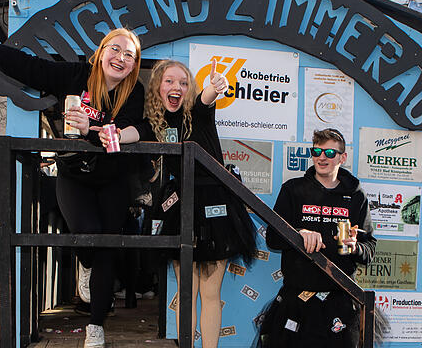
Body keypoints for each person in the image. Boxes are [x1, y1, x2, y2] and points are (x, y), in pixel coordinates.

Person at [0, 12, 145, 348]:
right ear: (102, 52)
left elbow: (132, 130)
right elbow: (26, 66)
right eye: (115, 49)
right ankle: (85, 264)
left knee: (107, 246)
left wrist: (99, 130)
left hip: (112, 178)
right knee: (88, 238)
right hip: (74, 174)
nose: (120, 58)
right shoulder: (77, 75)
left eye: (129, 55)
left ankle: (95, 326)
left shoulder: (134, 92)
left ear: (134, 65)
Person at [105, 59, 256, 347]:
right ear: (158, 88)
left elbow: (208, 97)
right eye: (170, 81)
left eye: (183, 83)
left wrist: (215, 86)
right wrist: (110, 134)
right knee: (185, 292)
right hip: (180, 206)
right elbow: (132, 134)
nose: (177, 87)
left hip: (217, 208)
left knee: (211, 294)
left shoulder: (198, 112)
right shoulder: (154, 123)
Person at [259, 128, 376, 347]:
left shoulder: (356, 196)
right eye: (317, 152)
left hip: (339, 304)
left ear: (343, 157)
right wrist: (299, 235)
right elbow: (273, 239)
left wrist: (355, 247)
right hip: (296, 301)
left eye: (330, 153)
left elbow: (369, 250)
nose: (322, 158)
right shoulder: (293, 190)